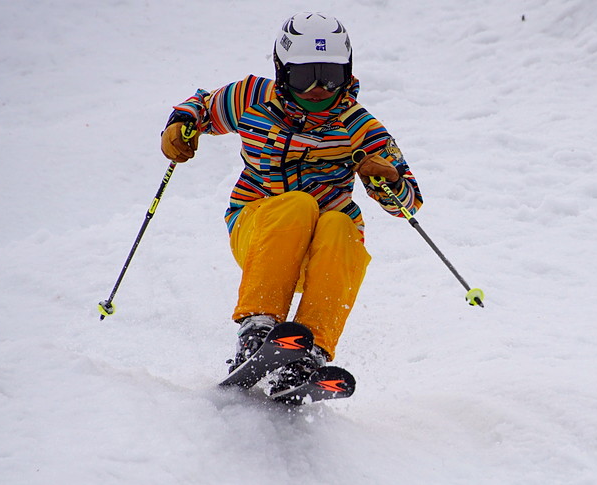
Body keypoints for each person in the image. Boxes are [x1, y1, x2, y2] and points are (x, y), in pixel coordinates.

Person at [160, 12, 423, 391]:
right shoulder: (251, 97)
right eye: (304, 75)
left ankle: (308, 353)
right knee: (298, 204)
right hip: (260, 231)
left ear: (347, 74)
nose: (318, 87)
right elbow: (202, 106)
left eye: (330, 75)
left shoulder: (360, 128)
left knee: (341, 224)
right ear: (282, 71)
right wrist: (179, 127)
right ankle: (258, 328)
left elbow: (409, 204)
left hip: (322, 254)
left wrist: (390, 180)